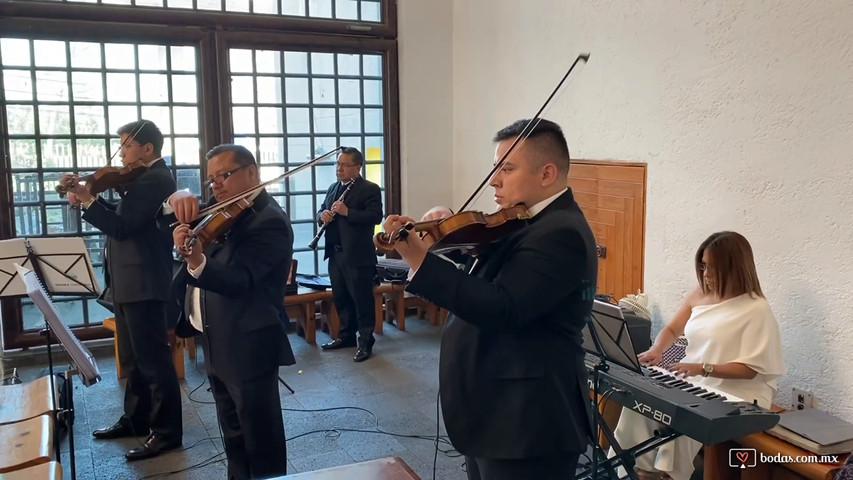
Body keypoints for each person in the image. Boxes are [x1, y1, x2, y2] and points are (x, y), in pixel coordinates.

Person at [383, 119, 597, 480]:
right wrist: (452, 236)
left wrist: (420, 260)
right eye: (495, 167)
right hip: (496, 414)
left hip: (527, 424)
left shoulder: (561, 233)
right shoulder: (526, 222)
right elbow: (496, 271)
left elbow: (504, 306)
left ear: (547, 173)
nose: (495, 179)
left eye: (507, 168)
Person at [164, 144, 294, 479]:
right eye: (211, 179)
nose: (216, 185)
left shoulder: (269, 221)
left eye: (224, 175)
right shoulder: (222, 210)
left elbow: (241, 281)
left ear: (251, 172)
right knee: (233, 433)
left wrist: (195, 260)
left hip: (249, 341)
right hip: (216, 337)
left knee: (259, 437)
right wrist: (177, 196)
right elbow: (169, 214)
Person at [610, 231, 785, 480]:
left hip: (739, 391)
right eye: (703, 266)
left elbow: (751, 370)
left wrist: (703, 368)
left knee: (682, 417)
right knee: (640, 405)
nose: (706, 274)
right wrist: (656, 349)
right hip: (695, 378)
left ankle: (667, 474)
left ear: (734, 267)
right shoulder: (700, 293)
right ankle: (640, 471)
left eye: (714, 268)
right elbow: (672, 329)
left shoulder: (756, 308)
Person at [61, 119, 183, 460]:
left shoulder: (156, 178)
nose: (122, 154)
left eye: (127, 145)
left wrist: (89, 200)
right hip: (130, 281)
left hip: (144, 281)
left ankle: (167, 432)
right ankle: (136, 419)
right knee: (132, 360)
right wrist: (89, 198)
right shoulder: (141, 178)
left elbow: (122, 226)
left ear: (148, 148)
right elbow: (124, 214)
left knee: (154, 362)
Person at [317, 147, 383, 362]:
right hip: (335, 254)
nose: (339, 168)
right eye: (338, 164)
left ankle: (365, 342)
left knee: (362, 300)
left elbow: (375, 216)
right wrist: (322, 215)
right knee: (341, 297)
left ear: (358, 166)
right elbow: (320, 210)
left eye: (344, 165)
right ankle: (346, 336)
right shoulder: (333, 188)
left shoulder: (369, 189)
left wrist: (348, 212)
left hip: (358, 255)